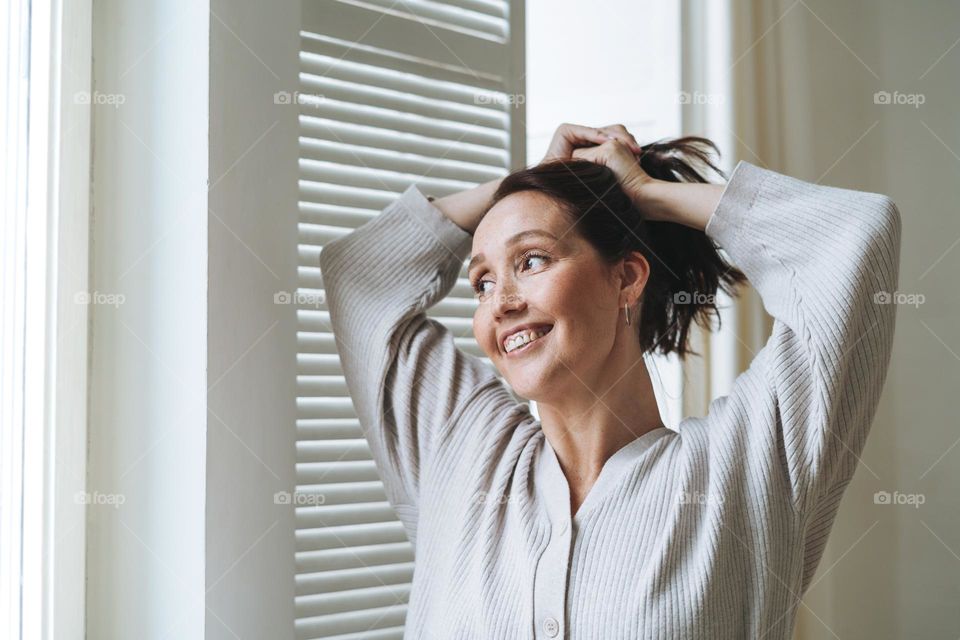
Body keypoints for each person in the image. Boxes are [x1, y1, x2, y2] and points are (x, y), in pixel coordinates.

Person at [319, 123, 902, 639]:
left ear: (626, 278)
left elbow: (856, 236)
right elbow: (358, 277)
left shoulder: (742, 471)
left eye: (531, 261)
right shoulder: (462, 453)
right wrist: (527, 186)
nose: (501, 303)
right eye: (483, 282)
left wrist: (649, 196)